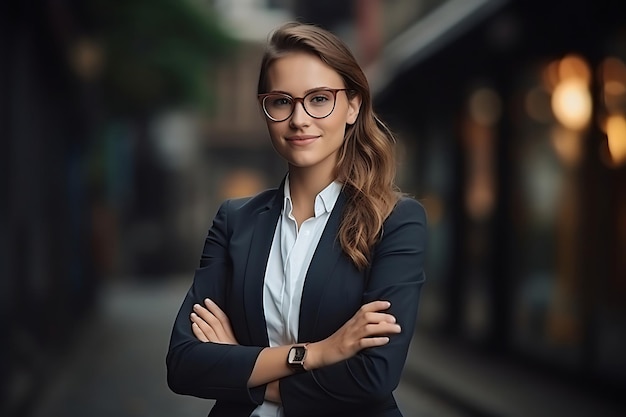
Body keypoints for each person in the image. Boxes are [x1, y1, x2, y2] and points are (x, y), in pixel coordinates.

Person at [166, 21, 427, 417]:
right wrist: (317, 353)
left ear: (353, 105)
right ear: (265, 108)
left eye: (319, 99)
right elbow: (184, 364)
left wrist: (241, 365)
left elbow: (372, 378)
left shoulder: (395, 221)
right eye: (282, 101)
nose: (299, 119)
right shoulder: (235, 220)